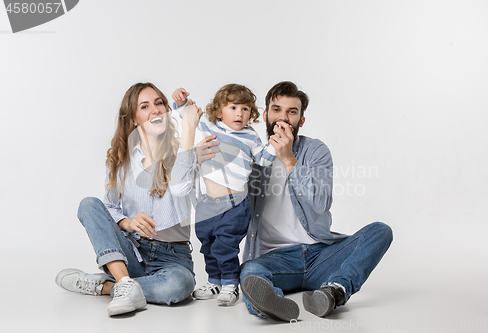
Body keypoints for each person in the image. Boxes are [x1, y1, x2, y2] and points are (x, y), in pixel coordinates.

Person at [196, 81, 393, 322]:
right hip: (273, 258)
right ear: (265, 115)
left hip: (320, 254)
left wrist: (289, 160)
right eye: (277, 110)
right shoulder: (248, 153)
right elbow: (214, 187)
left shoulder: (315, 150)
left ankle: (334, 291)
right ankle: (273, 303)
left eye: (292, 112)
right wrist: (197, 158)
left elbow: (320, 204)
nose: (284, 118)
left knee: (380, 232)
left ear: (301, 120)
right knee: (249, 271)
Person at [55, 82, 195, 316]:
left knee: (179, 286)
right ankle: (126, 282)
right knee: (89, 204)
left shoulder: (182, 152)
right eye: (145, 106)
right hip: (133, 251)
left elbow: (182, 187)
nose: (156, 110)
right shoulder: (122, 162)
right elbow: (109, 207)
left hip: (172, 257)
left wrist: (184, 109)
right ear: (133, 120)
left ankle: (108, 286)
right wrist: (127, 222)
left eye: (159, 103)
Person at [170, 84, 276, 306]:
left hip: (234, 203)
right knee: (207, 243)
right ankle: (215, 280)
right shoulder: (209, 126)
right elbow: (186, 117)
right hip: (207, 203)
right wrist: (180, 103)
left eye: (246, 109)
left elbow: (264, 160)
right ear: (218, 111)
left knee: (224, 245)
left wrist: (275, 145)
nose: (240, 113)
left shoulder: (250, 137)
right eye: (233, 107)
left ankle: (230, 283)